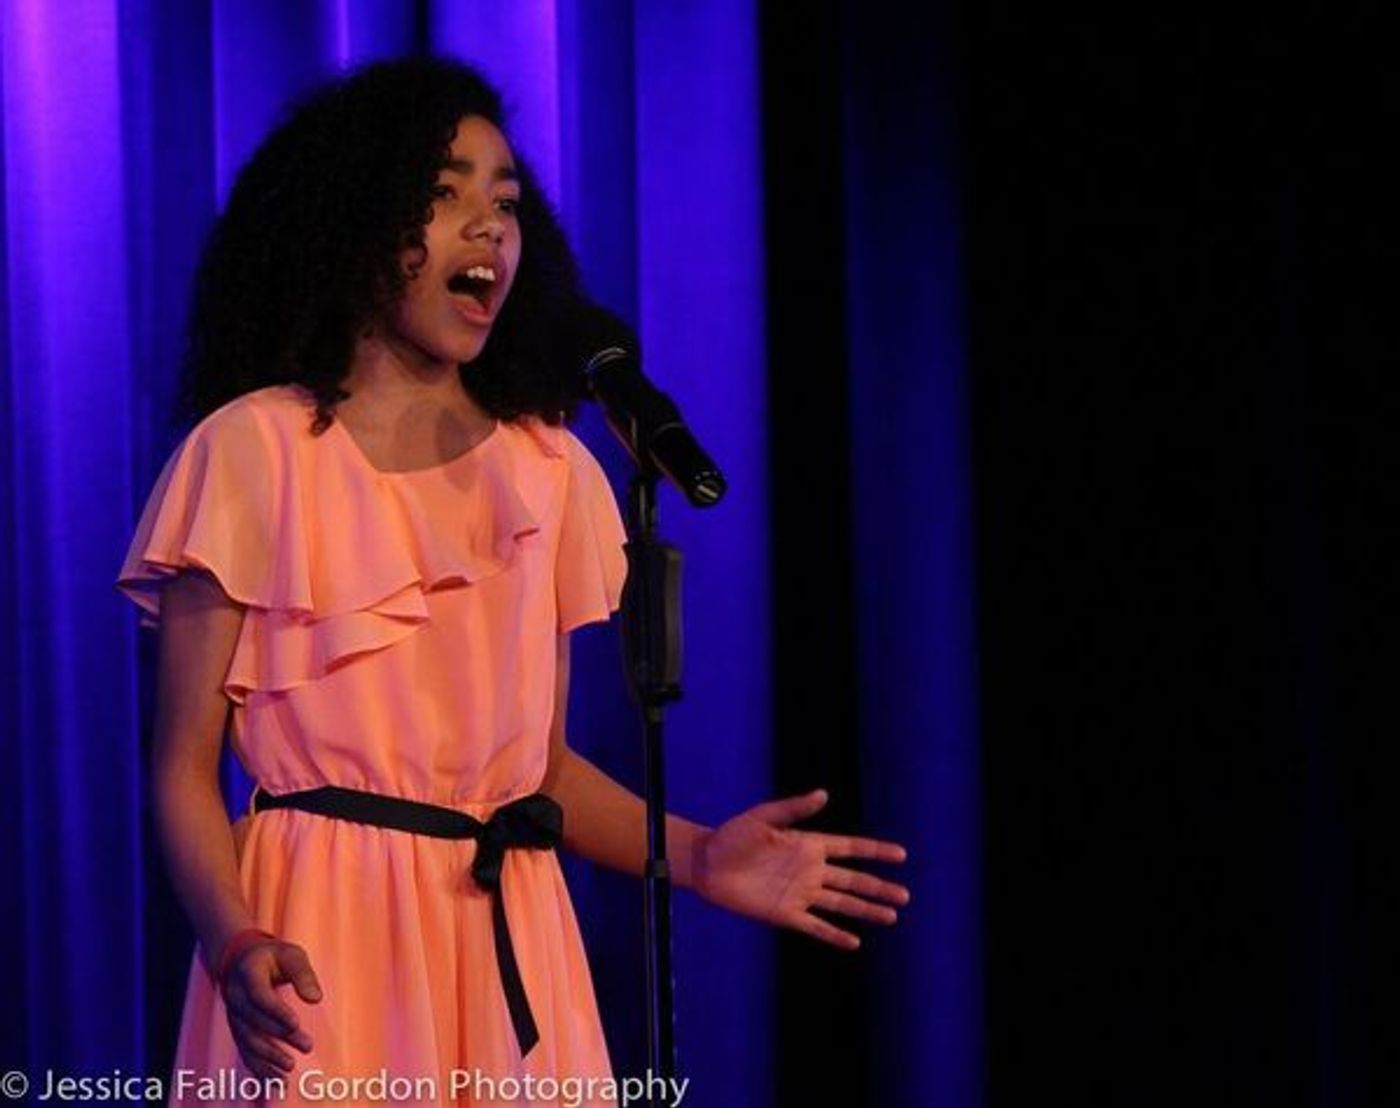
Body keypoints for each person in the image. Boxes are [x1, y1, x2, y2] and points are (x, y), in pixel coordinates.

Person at [117, 57, 908, 1106]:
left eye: (506, 202)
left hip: (507, 938)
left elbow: (538, 773)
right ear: (353, 224)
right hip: (317, 934)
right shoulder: (251, 452)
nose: (489, 227)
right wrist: (234, 940)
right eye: (446, 195)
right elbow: (182, 768)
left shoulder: (546, 468)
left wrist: (699, 856)